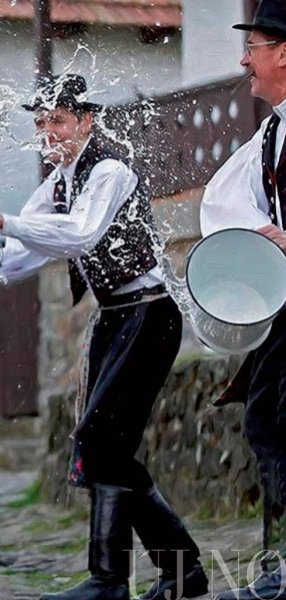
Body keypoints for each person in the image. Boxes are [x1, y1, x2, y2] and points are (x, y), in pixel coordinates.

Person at [0, 73, 206, 600]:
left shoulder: (108, 169)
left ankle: (112, 581)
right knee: (101, 451)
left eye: (60, 121)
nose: (50, 133)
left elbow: (81, 234)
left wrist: (5, 219)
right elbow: (31, 251)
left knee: (99, 444)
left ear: (86, 119)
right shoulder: (58, 181)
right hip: (116, 318)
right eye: (42, 123)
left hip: (149, 315)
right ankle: (180, 575)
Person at [200, 3, 286, 598]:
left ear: (283, 50)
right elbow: (223, 200)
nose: (243, 58)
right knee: (266, 419)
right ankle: (279, 568)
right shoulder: (272, 131)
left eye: (252, 44)